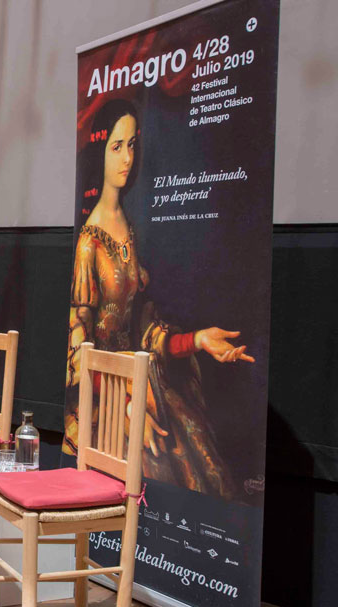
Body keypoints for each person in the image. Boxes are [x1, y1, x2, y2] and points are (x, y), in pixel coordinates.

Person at [66, 99, 254, 499]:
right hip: (106, 396)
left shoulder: (129, 227)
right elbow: (78, 355)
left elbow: (143, 331)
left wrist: (197, 340)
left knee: (198, 459)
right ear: (99, 151)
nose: (127, 158)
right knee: (155, 468)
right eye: (117, 146)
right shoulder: (88, 245)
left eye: (132, 145)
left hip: (142, 381)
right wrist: (124, 403)